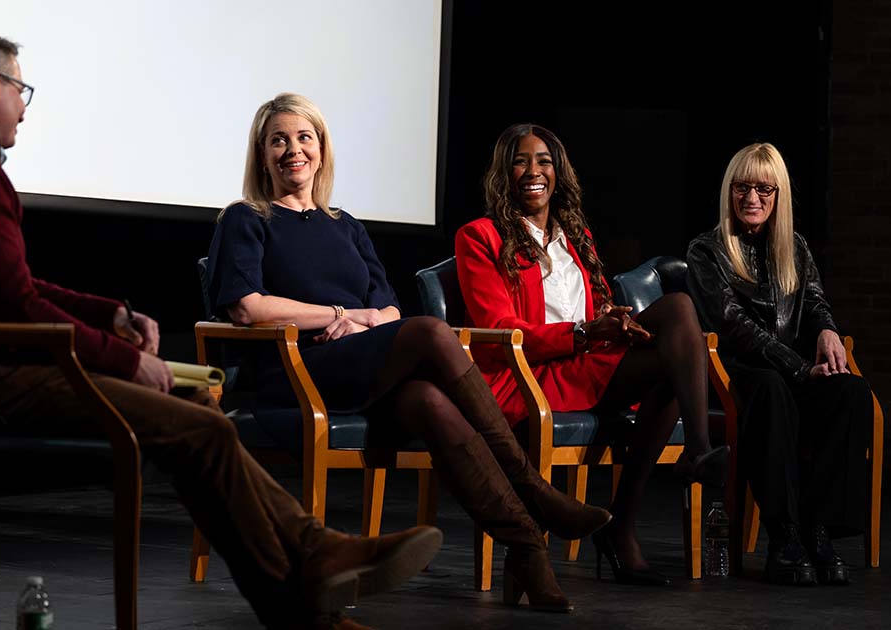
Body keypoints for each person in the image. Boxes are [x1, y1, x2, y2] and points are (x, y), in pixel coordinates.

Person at [0, 29, 443, 630]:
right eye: (21, 89)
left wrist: (108, 315)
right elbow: (14, 307)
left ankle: (304, 583)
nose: (22, 106)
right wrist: (124, 359)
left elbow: (11, 288)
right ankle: (311, 567)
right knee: (199, 426)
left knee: (197, 403)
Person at [205, 93, 611, 613]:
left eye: (304, 137)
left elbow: (389, 309)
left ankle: (529, 548)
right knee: (432, 333)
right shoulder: (246, 218)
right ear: (261, 154)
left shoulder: (344, 224)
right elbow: (246, 307)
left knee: (428, 400)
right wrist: (336, 316)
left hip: (365, 365)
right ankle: (535, 490)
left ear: (322, 150)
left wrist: (365, 320)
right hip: (298, 370)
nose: (293, 150)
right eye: (278, 140)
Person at [455, 123, 730, 586]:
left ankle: (638, 510)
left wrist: (613, 318)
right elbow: (500, 330)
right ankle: (640, 510)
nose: (533, 171)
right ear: (504, 173)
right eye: (521, 161)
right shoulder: (479, 236)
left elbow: (594, 303)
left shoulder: (573, 235)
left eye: (544, 161)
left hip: (581, 365)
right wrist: (583, 332)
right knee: (675, 332)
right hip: (529, 375)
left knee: (675, 329)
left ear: (558, 172)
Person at [685, 142, 872, 586]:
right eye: (743, 188)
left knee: (851, 392)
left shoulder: (796, 247)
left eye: (764, 190)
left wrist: (827, 329)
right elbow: (735, 329)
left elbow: (815, 303)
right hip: (734, 374)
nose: (752, 199)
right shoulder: (705, 251)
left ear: (779, 195)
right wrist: (800, 368)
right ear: (729, 192)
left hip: (788, 370)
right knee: (770, 388)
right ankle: (783, 533)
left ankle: (817, 526)